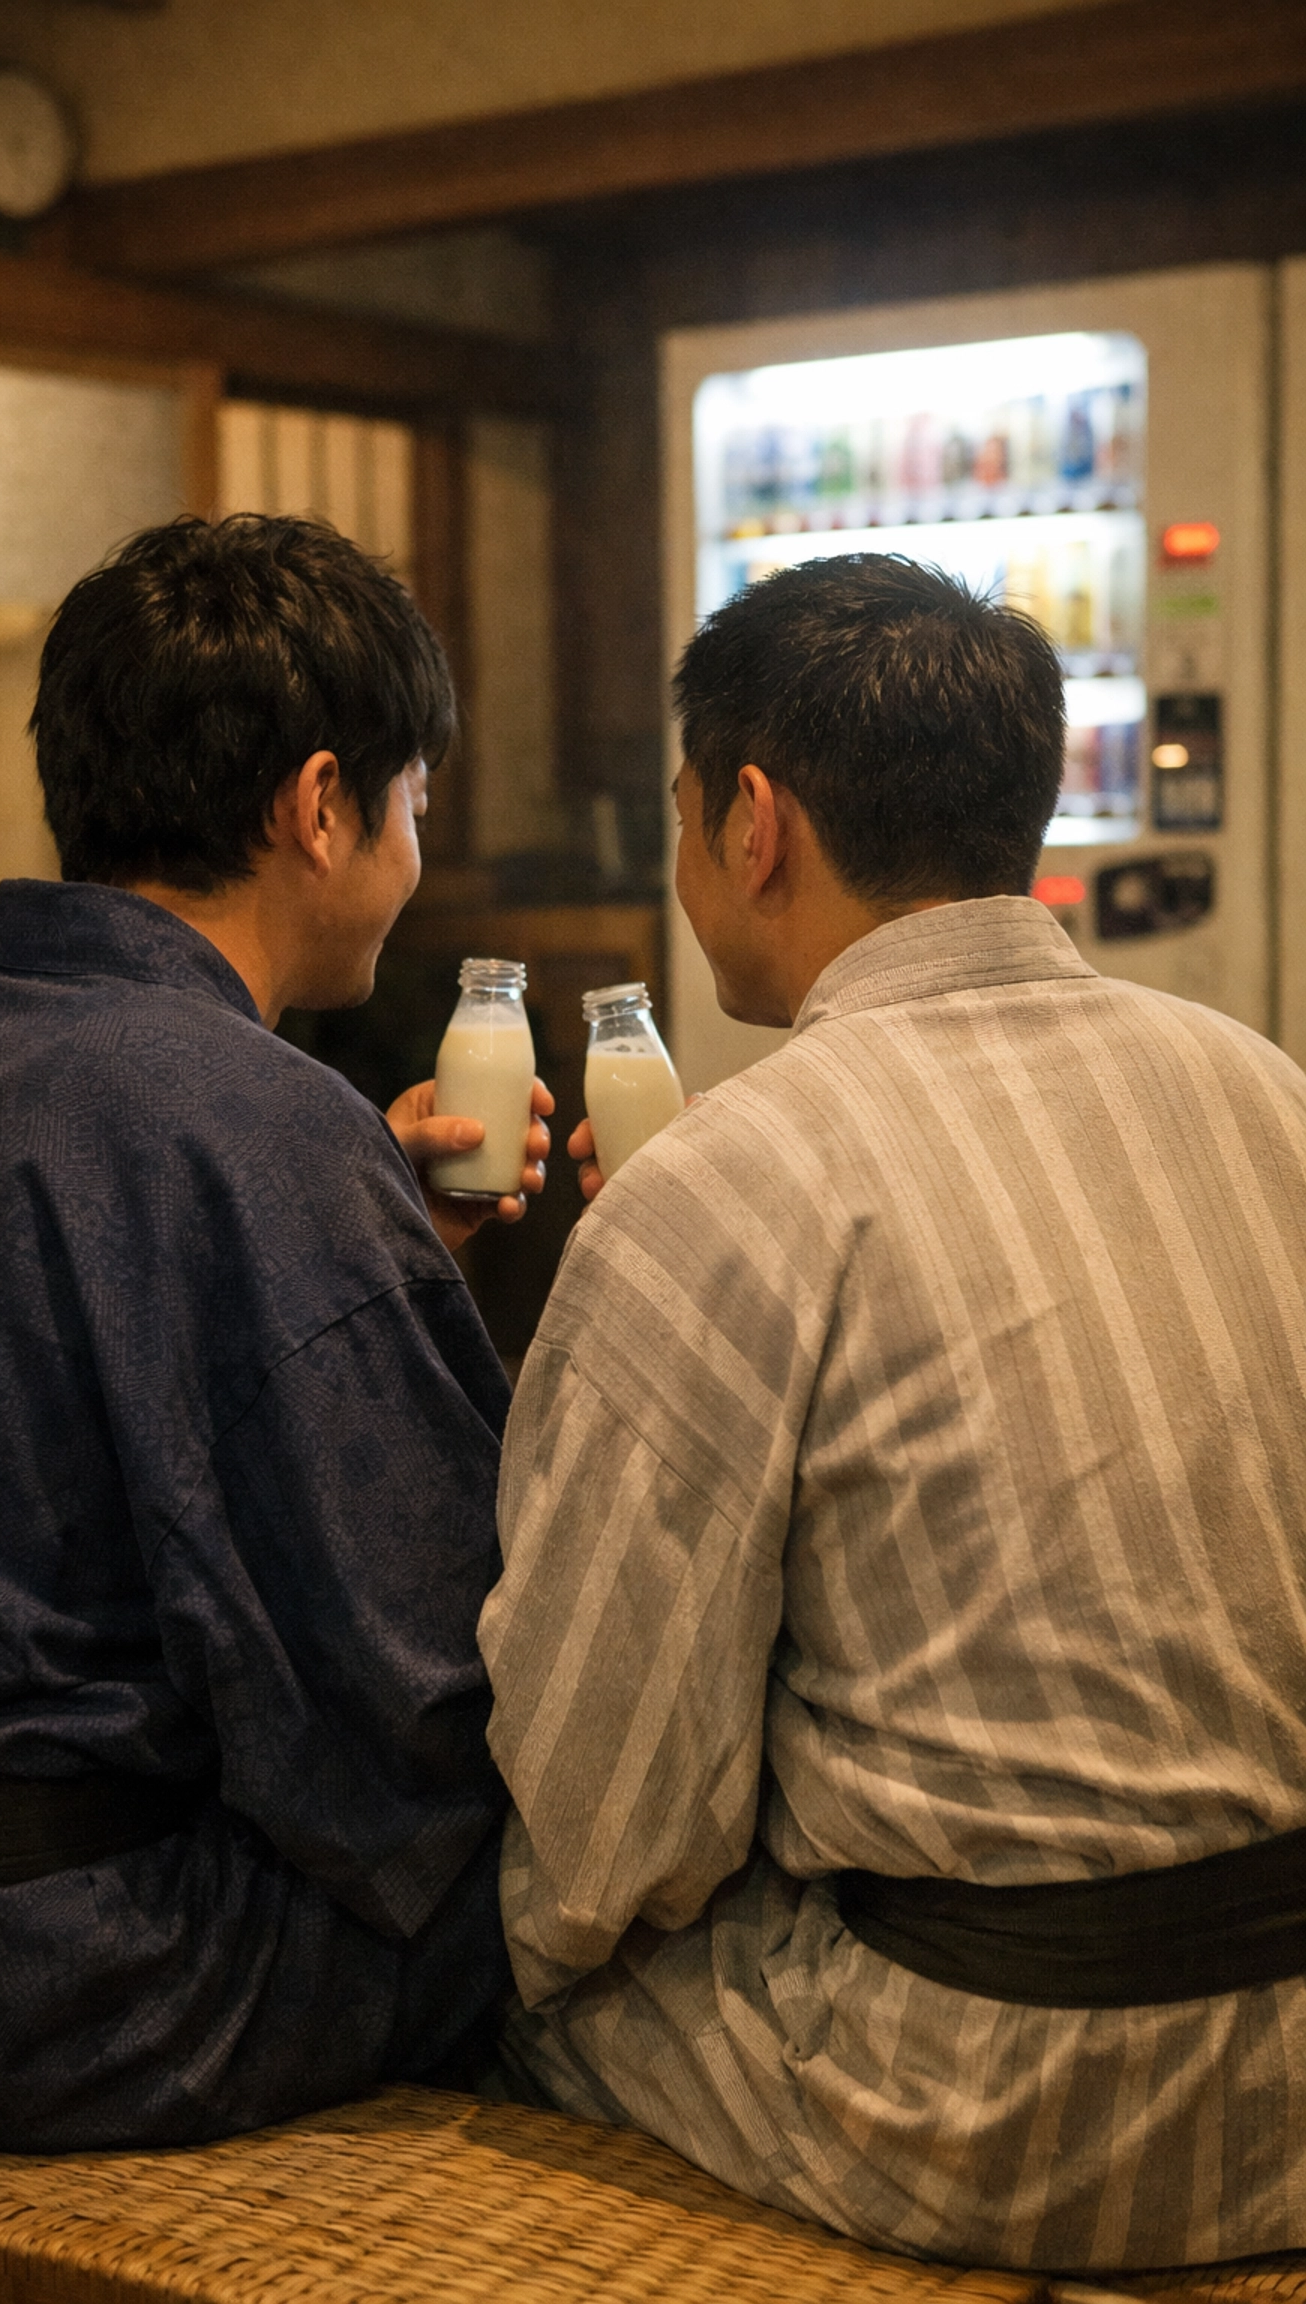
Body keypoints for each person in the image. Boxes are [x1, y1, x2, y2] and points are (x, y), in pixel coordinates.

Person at [482, 554, 1306, 2271]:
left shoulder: (727, 1182)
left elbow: (609, 1829)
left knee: (517, 1986)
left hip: (1001, 2100)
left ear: (754, 822)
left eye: (689, 815)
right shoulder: (1266, 1090)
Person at [0, 514, 551, 2152]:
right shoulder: (258, 1124)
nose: (414, 851)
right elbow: (419, 1694)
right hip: (61, 1990)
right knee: (569, 1894)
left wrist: (361, 1240)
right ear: (320, 806)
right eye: (413, 803)